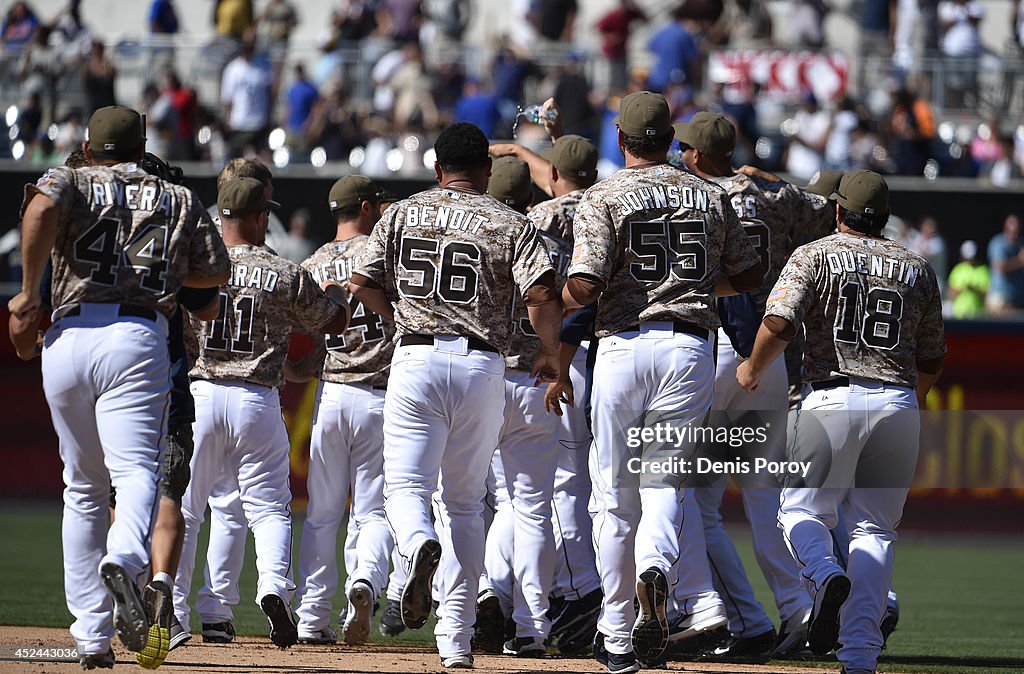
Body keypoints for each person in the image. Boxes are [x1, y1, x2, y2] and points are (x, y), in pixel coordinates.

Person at [7, 105, 230, 668]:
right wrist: (169, 272)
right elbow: (215, 273)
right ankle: (125, 556)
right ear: (142, 144)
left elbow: (37, 211)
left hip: (67, 334)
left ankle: (89, 636)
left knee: (80, 485)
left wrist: (30, 293)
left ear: (88, 145)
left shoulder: (73, 179)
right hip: (136, 334)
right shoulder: (175, 197)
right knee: (135, 471)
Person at [556, 91, 763, 673]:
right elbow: (748, 272)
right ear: (672, 141)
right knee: (665, 491)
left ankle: (617, 633)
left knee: (613, 501)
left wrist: (550, 305)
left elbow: (588, 284)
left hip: (622, 345)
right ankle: (656, 573)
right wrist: (694, 286)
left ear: (621, 141)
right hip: (690, 346)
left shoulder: (603, 195)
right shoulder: (710, 195)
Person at [349, 121, 564, 669]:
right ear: (486, 171)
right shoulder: (510, 221)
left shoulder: (399, 213)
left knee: (404, 488)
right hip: (482, 365)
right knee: (467, 505)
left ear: (437, 168)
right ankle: (456, 642)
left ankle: (418, 540)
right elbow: (540, 293)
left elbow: (362, 281)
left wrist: (396, 315)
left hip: (416, 357)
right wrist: (549, 352)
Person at [737, 170, 946, 674]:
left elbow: (781, 321)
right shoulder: (917, 266)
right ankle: (859, 657)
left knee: (799, 513)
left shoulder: (817, 252)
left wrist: (752, 366)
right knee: (874, 532)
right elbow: (934, 357)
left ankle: (824, 573)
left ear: (838, 211)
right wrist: (904, 402)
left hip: (832, 396)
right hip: (897, 401)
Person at [172, 177, 351, 649]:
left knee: (189, 510)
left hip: (203, 394)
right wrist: (335, 296)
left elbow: (178, 333)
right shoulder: (283, 271)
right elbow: (332, 322)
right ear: (257, 218)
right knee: (269, 508)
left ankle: (178, 609)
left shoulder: (197, 268)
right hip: (256, 399)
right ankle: (273, 588)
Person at [676, 112, 830, 658]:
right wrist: (764, 180)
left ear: (697, 155)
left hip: (715, 345)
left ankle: (724, 613)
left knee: (690, 497)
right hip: (772, 350)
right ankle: (799, 606)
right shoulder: (780, 196)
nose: (681, 154)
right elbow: (831, 211)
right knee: (767, 498)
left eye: (686, 148)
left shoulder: (688, 195)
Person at [293, 176, 395, 646]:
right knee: (373, 512)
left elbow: (307, 343)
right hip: (381, 393)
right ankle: (365, 582)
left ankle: (312, 618)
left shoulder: (312, 265)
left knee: (321, 514)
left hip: (331, 395)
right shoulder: (385, 252)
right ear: (368, 207)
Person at [220, 36, 272, 157]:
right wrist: (227, 118)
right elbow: (227, 98)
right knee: (235, 161)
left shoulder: (263, 65)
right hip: (239, 122)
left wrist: (268, 115)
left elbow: (269, 92)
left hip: (259, 121)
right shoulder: (233, 69)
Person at [985, 213, 1024, 313]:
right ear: (1006, 228)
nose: (1015, 233)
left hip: (1017, 299)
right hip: (1000, 299)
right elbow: (1000, 267)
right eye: (1012, 229)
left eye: (1017, 230)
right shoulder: (999, 243)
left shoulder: (1021, 244)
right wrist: (1019, 261)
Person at [947, 240, 989, 318]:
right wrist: (963, 288)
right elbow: (950, 293)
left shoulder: (983, 270)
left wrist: (974, 289)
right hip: (959, 314)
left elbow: (986, 294)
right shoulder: (957, 269)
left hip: (977, 314)